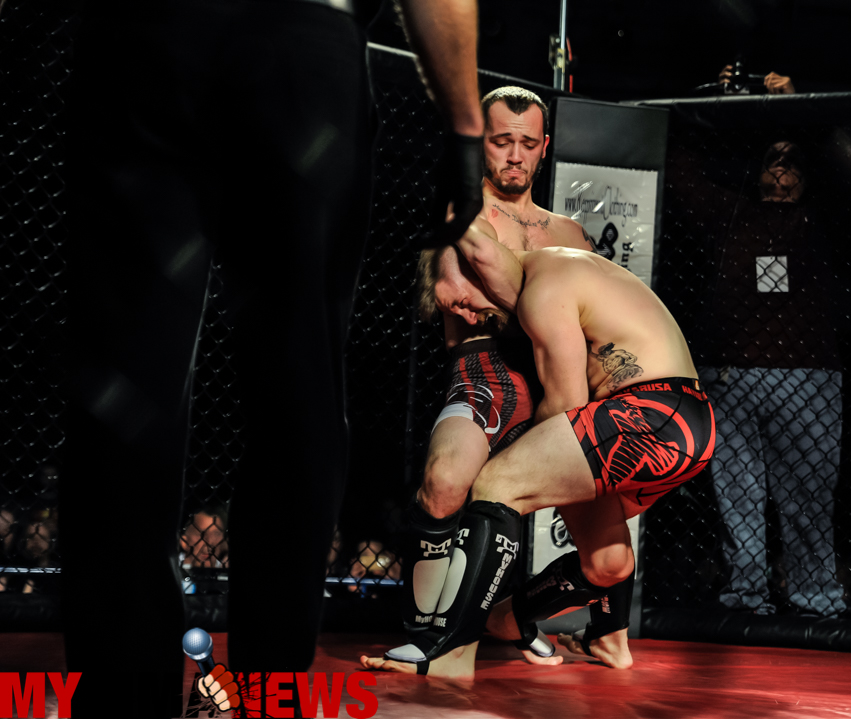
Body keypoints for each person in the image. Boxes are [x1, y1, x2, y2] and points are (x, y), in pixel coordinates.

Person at [60, 1, 485, 716]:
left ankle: (121, 698)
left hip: (141, 44)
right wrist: (464, 127)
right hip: (298, 53)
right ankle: (271, 695)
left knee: (125, 393)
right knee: (300, 384)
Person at [361, 218, 715, 678]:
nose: (468, 317)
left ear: (478, 268)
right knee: (606, 562)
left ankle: (451, 652)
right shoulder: (564, 272)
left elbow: (567, 404)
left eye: (463, 302)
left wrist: (509, 488)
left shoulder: (542, 287)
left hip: (649, 414)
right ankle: (601, 637)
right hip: (685, 424)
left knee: (497, 483)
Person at [398, 86, 593, 657]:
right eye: (502, 141)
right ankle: (426, 635)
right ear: (481, 143)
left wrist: (520, 308)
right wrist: (543, 313)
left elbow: (590, 325)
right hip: (486, 376)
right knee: (445, 483)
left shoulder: (570, 234)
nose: (514, 155)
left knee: (604, 549)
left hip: (559, 385)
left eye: (527, 144)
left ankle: (514, 618)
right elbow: (453, 298)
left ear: (544, 147)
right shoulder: (462, 213)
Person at [692, 139, 846, 617]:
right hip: (733, 371)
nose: (780, 171)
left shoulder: (821, 218)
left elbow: (850, 173)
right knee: (736, 491)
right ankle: (746, 594)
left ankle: (815, 597)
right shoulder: (734, 214)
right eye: (771, 161)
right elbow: (683, 178)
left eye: (791, 162)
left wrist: (802, 124)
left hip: (807, 374)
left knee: (808, 496)